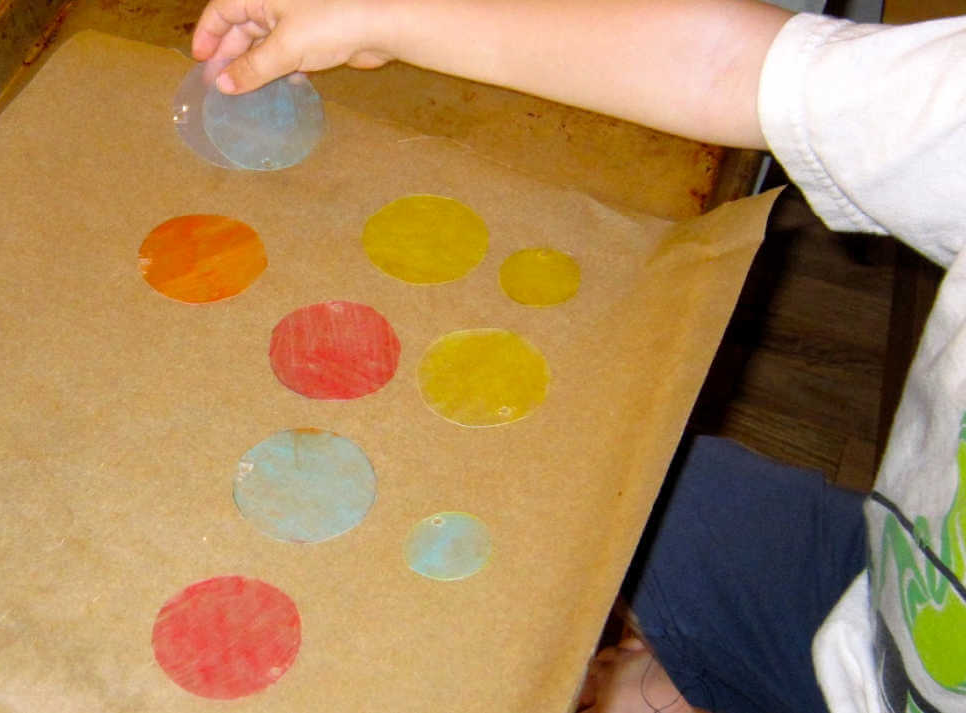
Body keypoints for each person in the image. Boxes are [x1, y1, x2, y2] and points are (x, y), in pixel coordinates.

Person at [189, 2, 966, 713]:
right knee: (586, 463)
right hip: (879, 587)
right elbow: (731, 69)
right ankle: (669, 679)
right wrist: (384, 15)